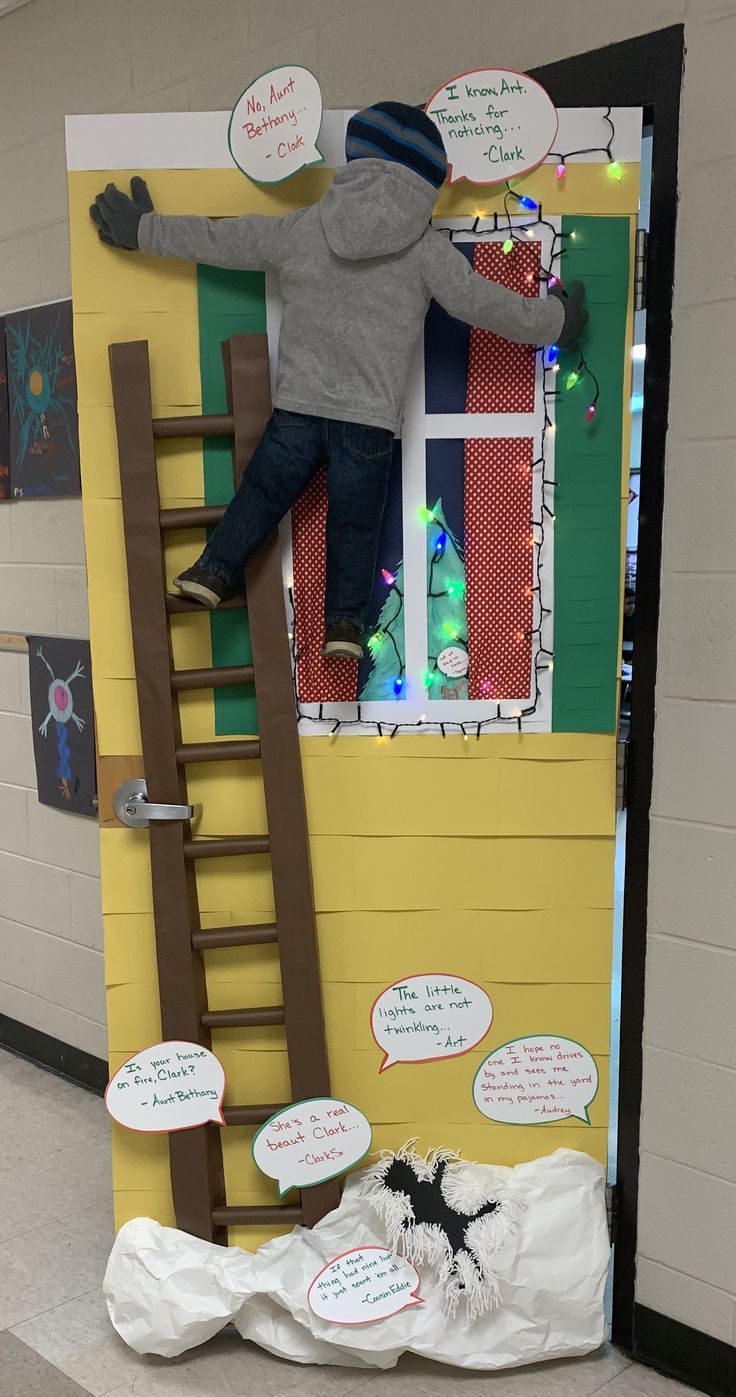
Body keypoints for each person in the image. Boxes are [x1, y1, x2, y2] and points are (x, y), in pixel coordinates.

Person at [90, 102, 587, 660]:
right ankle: (343, 627)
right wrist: (556, 321)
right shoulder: (426, 252)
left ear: (353, 159)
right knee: (354, 531)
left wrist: (144, 229)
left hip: (297, 412)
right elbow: (486, 305)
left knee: (259, 496)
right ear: (430, 183)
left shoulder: (305, 229)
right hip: (368, 426)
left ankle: (213, 570)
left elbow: (221, 241)